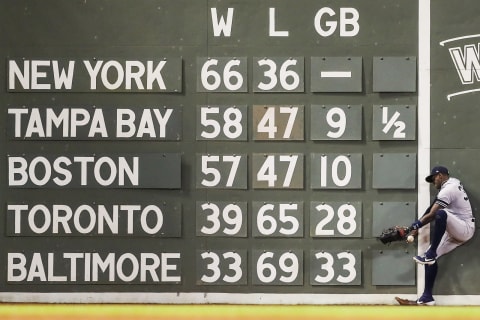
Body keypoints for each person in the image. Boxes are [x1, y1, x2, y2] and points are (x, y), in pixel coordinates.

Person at [409, 165, 475, 305]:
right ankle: (427, 297)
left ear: (440, 175)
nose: (434, 183)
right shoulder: (452, 183)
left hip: (464, 228)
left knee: (440, 214)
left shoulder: (448, 189)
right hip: (454, 228)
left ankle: (432, 253)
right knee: (428, 259)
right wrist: (416, 228)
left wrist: (413, 226)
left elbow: (433, 214)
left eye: (434, 179)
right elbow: (430, 209)